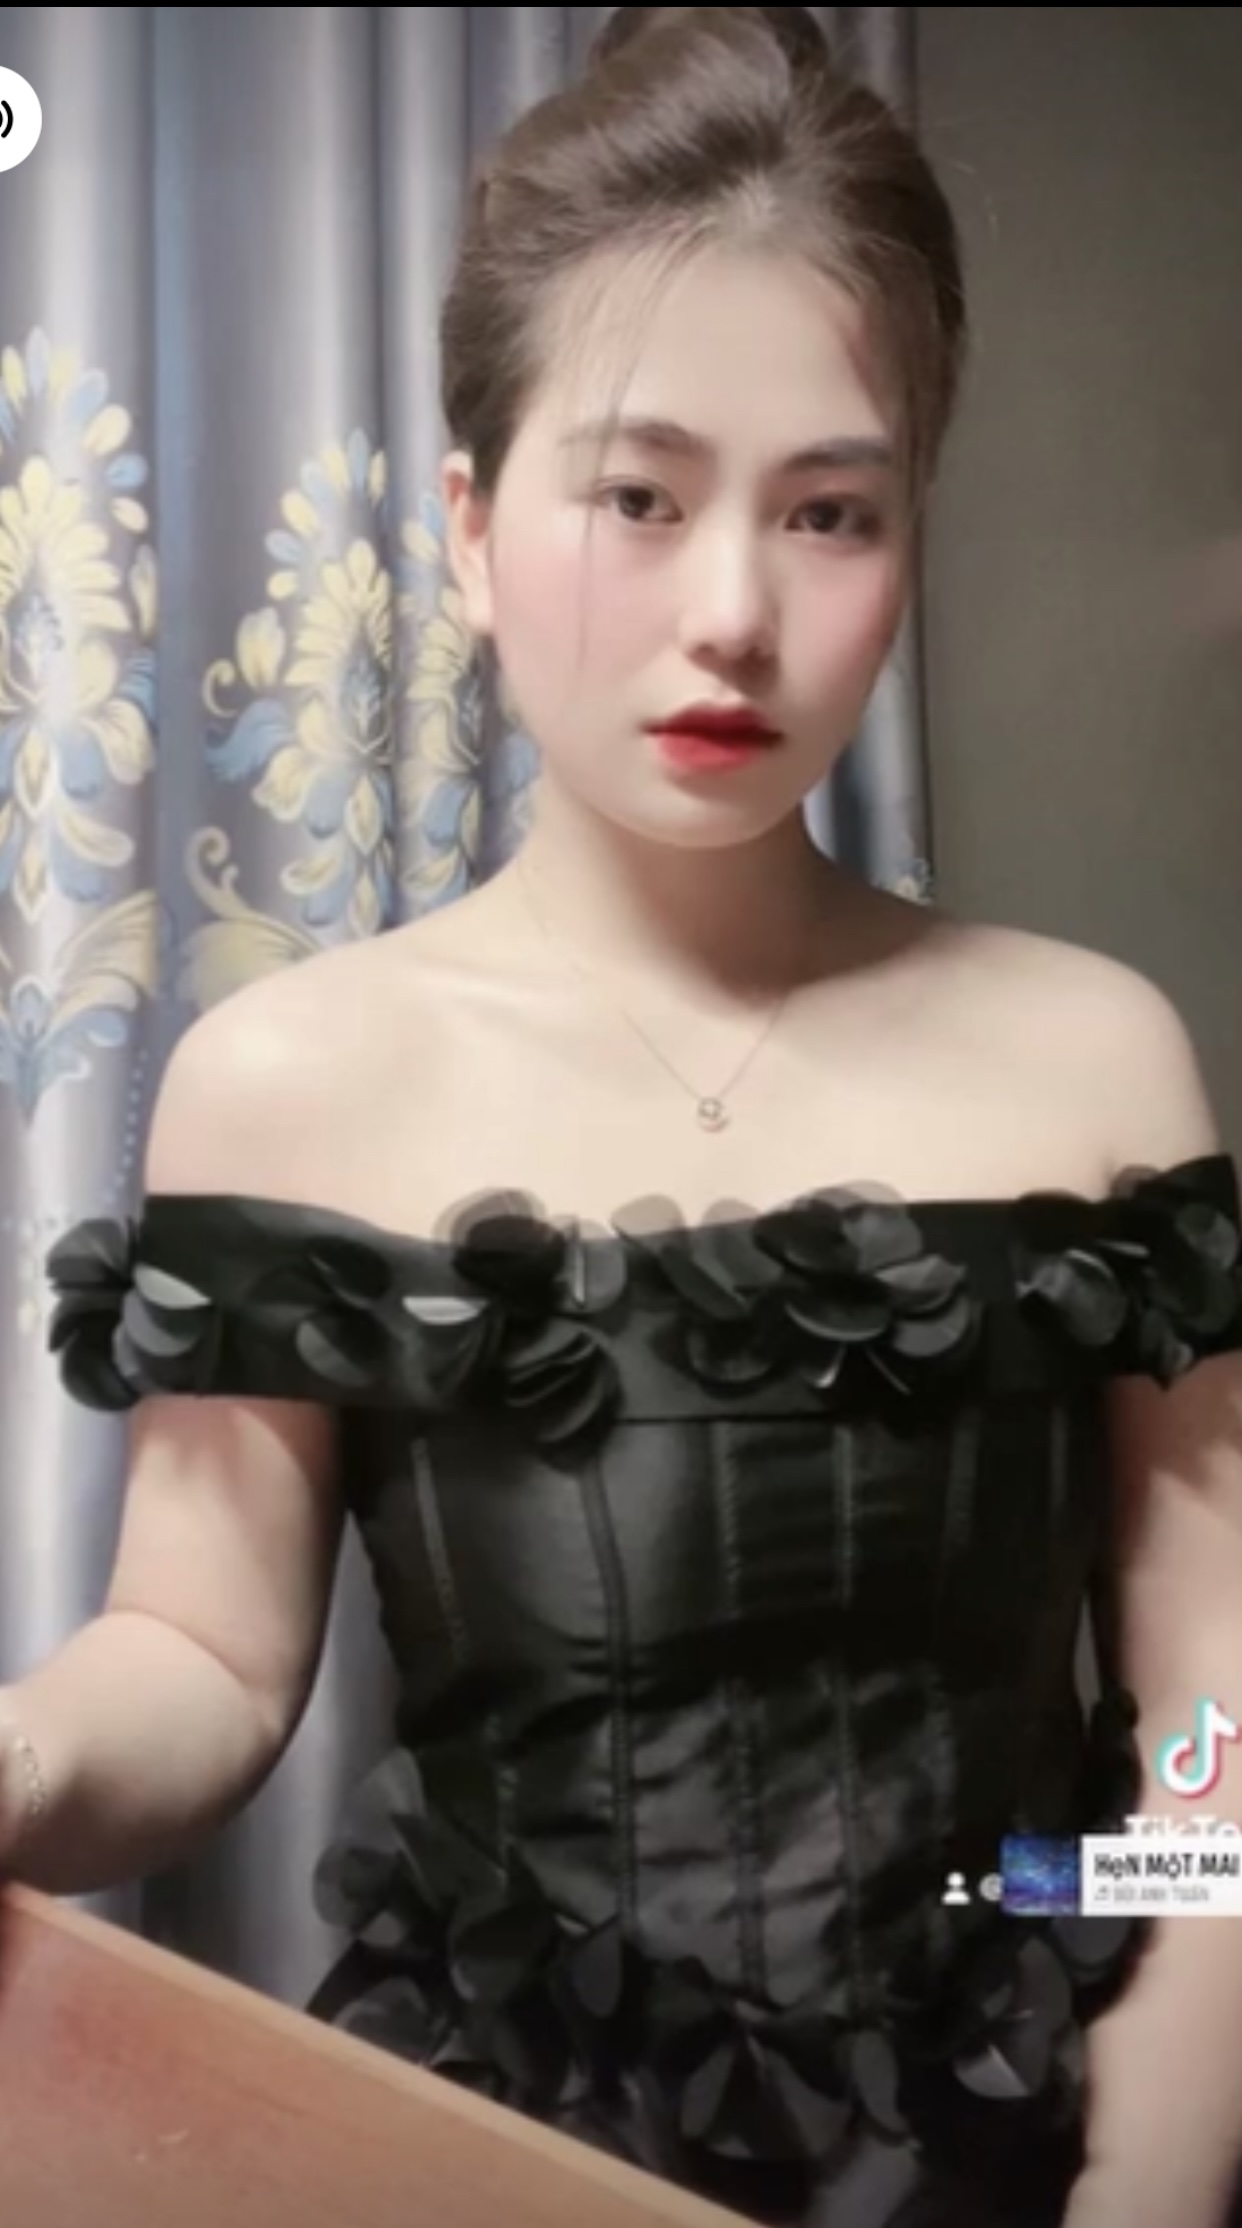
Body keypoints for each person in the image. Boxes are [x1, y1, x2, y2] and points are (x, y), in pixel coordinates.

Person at [7, 7, 1242, 2224]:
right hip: (495, 2165)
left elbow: (1211, 1741)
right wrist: (16, 1753)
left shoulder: (1096, 1060)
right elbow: (199, 1658)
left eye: (831, 511)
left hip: (1035, 2152)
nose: (735, 614)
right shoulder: (291, 1079)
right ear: (474, 531)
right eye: (640, 498)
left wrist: (1146, 2178)